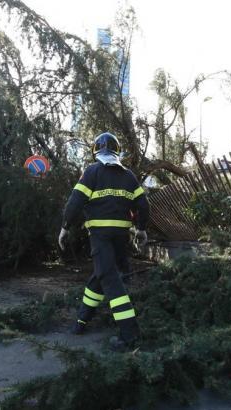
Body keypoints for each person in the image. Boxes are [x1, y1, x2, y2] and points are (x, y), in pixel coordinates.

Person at [58, 132, 149, 350]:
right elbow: (144, 205)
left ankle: (130, 335)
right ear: (117, 151)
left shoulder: (92, 172)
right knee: (100, 276)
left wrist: (64, 228)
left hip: (100, 236)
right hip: (121, 238)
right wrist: (141, 230)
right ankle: (81, 321)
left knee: (110, 279)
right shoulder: (129, 176)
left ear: (95, 151)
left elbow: (75, 202)